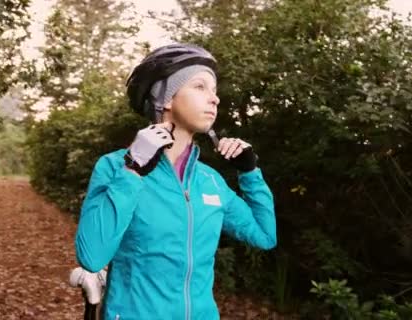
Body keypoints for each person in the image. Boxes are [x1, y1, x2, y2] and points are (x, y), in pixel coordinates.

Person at [73, 43, 277, 320]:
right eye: (200, 86)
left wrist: (250, 172)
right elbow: (92, 256)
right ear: (165, 98)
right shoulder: (114, 167)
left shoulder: (210, 181)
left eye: (215, 91)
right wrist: (133, 169)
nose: (214, 99)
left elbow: (265, 236)